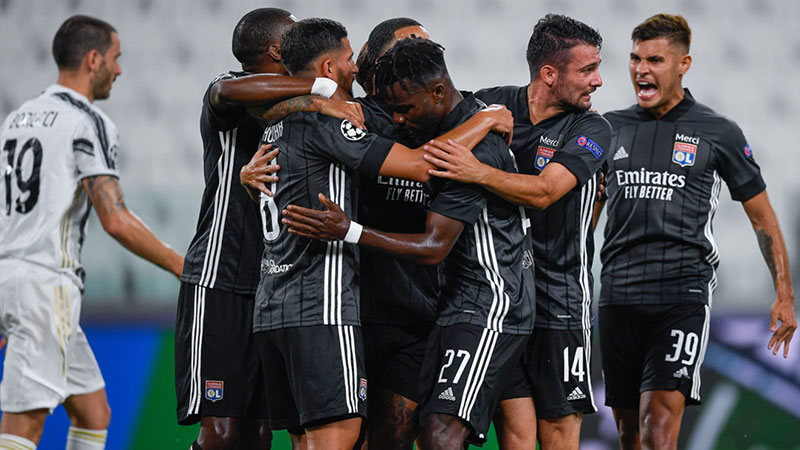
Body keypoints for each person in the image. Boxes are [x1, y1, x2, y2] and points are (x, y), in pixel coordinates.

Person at [244, 19, 513, 450]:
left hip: (394, 309)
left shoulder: (436, 110)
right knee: (341, 437)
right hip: (338, 307)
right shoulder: (352, 116)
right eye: (349, 58)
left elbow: (261, 108)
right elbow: (422, 165)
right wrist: (485, 122)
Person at [595, 13, 797, 449]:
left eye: (654, 60)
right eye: (635, 59)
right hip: (617, 294)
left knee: (658, 428)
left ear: (683, 64)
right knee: (628, 434)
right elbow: (588, 214)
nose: (641, 70)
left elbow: (762, 217)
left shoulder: (717, 131)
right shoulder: (610, 128)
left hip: (680, 294)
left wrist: (784, 293)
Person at [174, 8, 367, 450]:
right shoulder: (231, 89)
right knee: (222, 434)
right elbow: (226, 92)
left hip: (271, 286)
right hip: (219, 277)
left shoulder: (294, 109)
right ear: (277, 51)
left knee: (261, 432)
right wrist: (320, 89)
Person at [420, 14, 610, 449]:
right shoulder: (490, 105)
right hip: (498, 298)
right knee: (516, 433)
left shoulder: (592, 127)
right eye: (587, 70)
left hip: (559, 299)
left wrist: (476, 171)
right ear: (549, 74)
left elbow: (545, 192)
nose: (598, 81)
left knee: (558, 431)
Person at [0, 15, 184, 450]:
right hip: (46, 285)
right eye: (116, 58)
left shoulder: (18, 118)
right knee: (24, 425)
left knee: (93, 411)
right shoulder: (86, 120)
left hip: (11, 274)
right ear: (93, 59)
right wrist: (183, 265)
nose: (119, 70)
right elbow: (115, 219)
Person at [353, 18, 437, 450]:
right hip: (354, 312)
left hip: (419, 311)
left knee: (396, 440)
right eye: (410, 43)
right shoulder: (353, 117)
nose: (421, 50)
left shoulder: (446, 116)